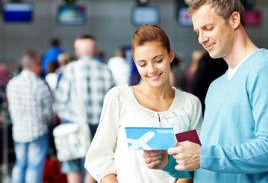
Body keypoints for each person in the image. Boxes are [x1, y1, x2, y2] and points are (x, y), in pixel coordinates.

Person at [143, 0, 268, 183]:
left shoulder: (267, 70)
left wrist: (204, 156)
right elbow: (208, 160)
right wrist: (171, 161)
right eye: (197, 32)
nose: (201, 39)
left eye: (208, 28)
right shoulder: (216, 86)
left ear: (234, 20)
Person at [84, 25, 202, 183]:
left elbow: (189, 165)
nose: (151, 70)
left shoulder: (190, 104)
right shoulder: (119, 97)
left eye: (158, 60)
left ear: (171, 56)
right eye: (142, 64)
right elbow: (99, 157)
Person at [55, 34, 114, 183]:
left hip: (73, 125)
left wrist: (68, 118)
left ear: (77, 51)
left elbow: (59, 101)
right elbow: (113, 101)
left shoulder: (69, 70)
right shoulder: (105, 69)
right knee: (94, 166)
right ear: (95, 51)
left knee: (73, 166)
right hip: (99, 126)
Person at [6, 50, 53, 183]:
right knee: (34, 167)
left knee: (20, 164)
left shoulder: (12, 83)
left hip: (19, 131)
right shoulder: (40, 84)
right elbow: (48, 112)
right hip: (37, 130)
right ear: (36, 65)